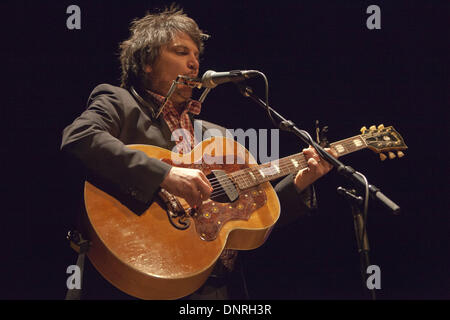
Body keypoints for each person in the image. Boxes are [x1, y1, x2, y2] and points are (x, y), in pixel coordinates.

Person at [61, 6, 336, 300]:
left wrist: (301, 180)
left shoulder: (215, 135)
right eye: (181, 52)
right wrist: (165, 174)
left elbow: (246, 217)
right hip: (137, 272)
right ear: (147, 62)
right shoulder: (121, 102)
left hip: (211, 284)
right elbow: (80, 137)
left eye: (196, 56)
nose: (194, 63)